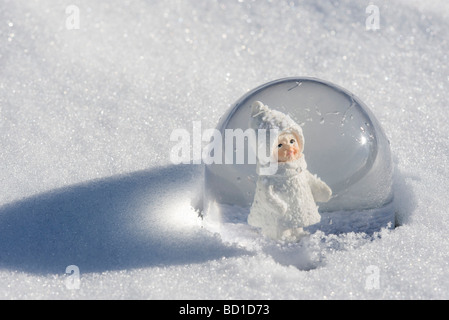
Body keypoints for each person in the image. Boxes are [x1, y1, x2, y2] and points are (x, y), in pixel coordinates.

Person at [247, 101, 332, 241]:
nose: (289, 148)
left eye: (292, 141)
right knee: (282, 223)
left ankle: (297, 232)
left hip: (297, 206)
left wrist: (320, 189)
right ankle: (281, 237)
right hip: (279, 212)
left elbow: (308, 179)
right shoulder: (269, 174)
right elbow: (265, 193)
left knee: (296, 219)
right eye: (280, 145)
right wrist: (277, 205)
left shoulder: (299, 168)